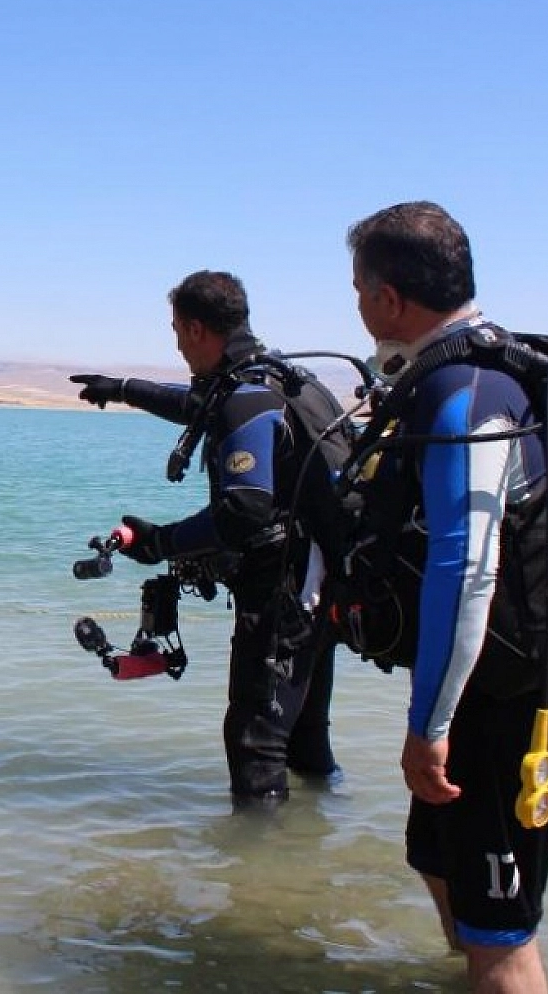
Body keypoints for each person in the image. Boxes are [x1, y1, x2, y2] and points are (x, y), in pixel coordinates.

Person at [345, 201, 548, 993]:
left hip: (520, 700)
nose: (355, 307)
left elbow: (468, 569)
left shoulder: (465, 391)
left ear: (390, 297)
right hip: (494, 681)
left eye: (358, 288)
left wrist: (429, 724)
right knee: (436, 858)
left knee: (503, 935)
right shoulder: (473, 370)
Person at [70, 270, 345, 807]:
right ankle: (322, 848)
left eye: (176, 331)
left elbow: (245, 509)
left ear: (197, 329)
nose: (176, 345)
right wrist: (123, 389)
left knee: (255, 742)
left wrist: (161, 542)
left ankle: (259, 882)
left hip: (282, 592)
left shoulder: (246, 395)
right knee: (305, 739)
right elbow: (201, 408)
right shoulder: (275, 381)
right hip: (320, 579)